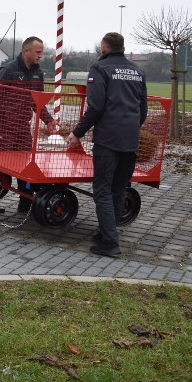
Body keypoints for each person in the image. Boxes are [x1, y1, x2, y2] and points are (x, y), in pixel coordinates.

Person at [66, 32, 147, 258]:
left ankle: (110, 242)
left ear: (103, 48)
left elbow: (96, 106)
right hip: (130, 140)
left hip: (108, 140)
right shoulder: (137, 71)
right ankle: (105, 233)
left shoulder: (99, 69)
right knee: (118, 189)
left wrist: (77, 132)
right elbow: (143, 111)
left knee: (101, 189)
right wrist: (129, 128)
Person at [0, 36, 59, 213]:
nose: (41, 56)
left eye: (41, 52)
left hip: (23, 127)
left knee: (26, 165)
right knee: (1, 164)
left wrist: (48, 121)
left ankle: (25, 202)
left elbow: (37, 102)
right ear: (26, 51)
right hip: (4, 127)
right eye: (38, 52)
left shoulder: (37, 73)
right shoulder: (8, 70)